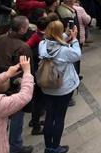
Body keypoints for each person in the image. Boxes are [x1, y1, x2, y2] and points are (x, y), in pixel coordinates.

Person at [0, 16, 33, 153]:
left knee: (0, 117)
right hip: (13, 87)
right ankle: (15, 146)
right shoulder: (23, 47)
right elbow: (27, 69)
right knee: (16, 117)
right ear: (22, 29)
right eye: (26, 28)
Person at [38, 20, 81, 153]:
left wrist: (66, 36)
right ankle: (56, 147)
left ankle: (48, 146)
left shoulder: (42, 44)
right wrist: (74, 40)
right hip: (63, 88)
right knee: (59, 117)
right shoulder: (64, 51)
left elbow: (56, 40)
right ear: (58, 33)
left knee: (49, 116)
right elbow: (77, 55)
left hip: (47, 86)